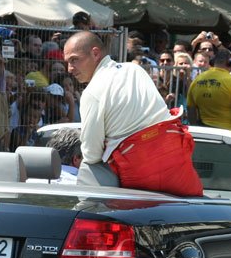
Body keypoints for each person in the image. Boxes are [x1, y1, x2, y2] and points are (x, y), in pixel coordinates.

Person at [62, 31, 202, 196]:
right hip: (174, 157)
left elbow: (91, 155)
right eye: (68, 62)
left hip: (139, 171)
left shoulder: (92, 93)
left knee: (91, 168)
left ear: (95, 53)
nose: (70, 69)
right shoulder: (135, 69)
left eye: (74, 60)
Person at [186, 48, 231, 135]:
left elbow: (190, 109)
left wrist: (196, 130)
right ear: (230, 62)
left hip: (204, 132)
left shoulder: (197, 80)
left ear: (212, 62)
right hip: (228, 134)